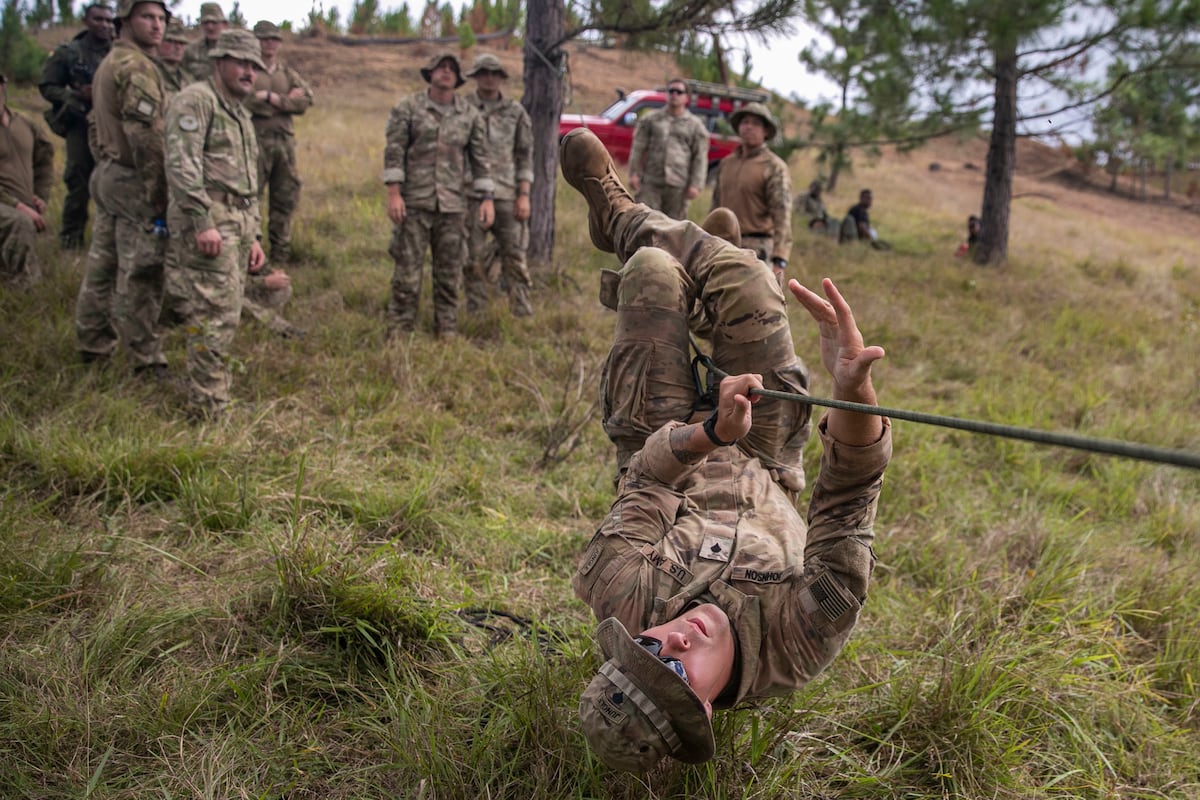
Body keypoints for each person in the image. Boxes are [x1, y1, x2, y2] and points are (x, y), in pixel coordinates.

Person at [559, 127, 891, 773]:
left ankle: (624, 219)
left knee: (650, 272)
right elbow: (848, 503)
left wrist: (707, 434)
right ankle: (712, 280)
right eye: (677, 668)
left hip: (660, 436)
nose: (674, 638)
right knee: (746, 274)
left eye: (653, 648)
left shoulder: (621, 597)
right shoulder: (798, 640)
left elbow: (648, 481)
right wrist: (854, 388)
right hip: (766, 454)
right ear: (705, 709)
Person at [164, 28, 267, 418]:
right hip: (210, 222)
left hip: (237, 223)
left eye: (254, 66)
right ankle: (208, 406)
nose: (249, 72)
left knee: (227, 311)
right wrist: (201, 220)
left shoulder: (239, 112)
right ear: (219, 61)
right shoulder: (196, 101)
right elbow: (181, 166)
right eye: (241, 63)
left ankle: (212, 394)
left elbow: (248, 181)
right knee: (215, 312)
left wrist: (254, 234)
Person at [74, 0, 171, 377]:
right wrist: (159, 196)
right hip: (132, 179)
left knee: (102, 264)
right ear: (125, 21)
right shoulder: (135, 66)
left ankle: (93, 342)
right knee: (143, 271)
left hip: (110, 173)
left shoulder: (108, 63)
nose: (157, 25)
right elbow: (146, 137)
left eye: (162, 18)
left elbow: (96, 125)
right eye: (148, 17)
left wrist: (106, 159)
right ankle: (145, 359)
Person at [382, 52, 493, 340]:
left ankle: (446, 329)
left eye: (451, 69)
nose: (445, 72)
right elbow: (394, 151)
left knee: (449, 271)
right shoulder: (408, 108)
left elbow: (481, 159)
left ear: (457, 78)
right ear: (429, 73)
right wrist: (394, 193)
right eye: (440, 68)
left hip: (453, 206)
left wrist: (487, 198)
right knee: (407, 271)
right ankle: (400, 328)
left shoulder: (469, 116)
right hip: (414, 203)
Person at [462, 52, 534, 318]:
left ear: (501, 78)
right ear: (476, 77)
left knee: (514, 256)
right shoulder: (464, 108)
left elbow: (525, 155)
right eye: (483, 73)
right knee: (472, 257)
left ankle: (521, 311)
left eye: (494, 73)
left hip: (507, 194)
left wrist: (524, 194)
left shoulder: (515, 112)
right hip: (472, 194)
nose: (489, 79)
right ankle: (477, 312)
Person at [38, 2, 114, 250]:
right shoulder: (70, 52)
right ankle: (71, 240)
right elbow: (47, 86)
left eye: (108, 20)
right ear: (86, 21)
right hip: (80, 124)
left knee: (114, 183)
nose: (104, 25)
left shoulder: (118, 52)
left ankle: (109, 242)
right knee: (78, 182)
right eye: (98, 19)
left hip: (111, 127)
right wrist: (75, 96)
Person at [245, 20, 313, 264]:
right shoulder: (249, 69)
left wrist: (272, 98)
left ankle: (280, 256)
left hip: (284, 144)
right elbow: (245, 101)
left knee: (284, 199)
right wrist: (285, 102)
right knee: (249, 197)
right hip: (254, 143)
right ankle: (251, 254)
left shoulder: (286, 73)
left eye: (274, 39)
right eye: (264, 39)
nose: (269, 44)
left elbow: (305, 101)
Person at [710, 101, 791, 287]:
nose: (749, 127)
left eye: (755, 123)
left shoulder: (774, 167)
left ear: (766, 131)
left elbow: (782, 214)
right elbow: (715, 206)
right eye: (745, 122)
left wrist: (780, 259)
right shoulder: (727, 163)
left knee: (754, 307)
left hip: (757, 249)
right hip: (723, 245)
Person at [626, 78, 709, 220]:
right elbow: (638, 147)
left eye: (679, 92)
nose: (674, 94)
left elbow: (700, 157)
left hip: (678, 186)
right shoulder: (650, 119)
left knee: (674, 229)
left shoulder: (695, 125)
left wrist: (696, 184)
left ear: (686, 97)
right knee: (645, 222)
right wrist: (633, 173)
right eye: (671, 91)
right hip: (651, 182)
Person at [0, 73, 55, 287]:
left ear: (4, 86)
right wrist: (19, 206)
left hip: (20, 202)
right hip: (10, 207)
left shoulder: (24, 123)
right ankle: (27, 290)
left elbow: (44, 161)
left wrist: (40, 196)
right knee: (19, 222)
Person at [180, 2, 228, 83]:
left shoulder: (234, 50)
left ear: (224, 25)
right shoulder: (191, 50)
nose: (210, 27)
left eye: (214, 22)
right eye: (206, 23)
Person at [155, 19, 190, 96]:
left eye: (181, 43)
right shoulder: (151, 72)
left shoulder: (187, 78)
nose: (178, 47)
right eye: (171, 41)